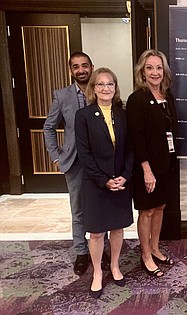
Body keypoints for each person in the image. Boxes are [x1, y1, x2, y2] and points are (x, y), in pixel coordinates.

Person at [43, 52, 110, 275]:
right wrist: (56, 155)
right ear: (70, 70)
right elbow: (48, 127)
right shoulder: (62, 96)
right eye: (75, 67)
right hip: (75, 163)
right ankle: (82, 252)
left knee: (101, 207)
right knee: (78, 210)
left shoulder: (100, 91)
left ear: (92, 67)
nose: (80, 70)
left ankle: (103, 249)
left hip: (101, 162)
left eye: (84, 66)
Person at [74, 67, 134, 298]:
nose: (106, 88)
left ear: (115, 88)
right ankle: (98, 272)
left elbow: (130, 149)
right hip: (96, 184)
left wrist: (125, 176)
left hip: (120, 181)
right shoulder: (84, 116)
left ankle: (116, 266)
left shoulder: (122, 114)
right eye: (100, 84)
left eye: (110, 84)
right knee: (97, 233)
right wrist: (104, 180)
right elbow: (84, 153)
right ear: (93, 89)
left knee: (117, 228)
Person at [126, 49, 178, 278]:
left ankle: (155, 248)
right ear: (142, 72)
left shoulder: (168, 97)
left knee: (160, 207)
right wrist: (147, 170)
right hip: (147, 167)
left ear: (164, 71)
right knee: (147, 211)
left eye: (158, 67)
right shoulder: (137, 99)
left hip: (167, 164)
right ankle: (145, 254)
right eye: (150, 68)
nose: (155, 72)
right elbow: (136, 137)